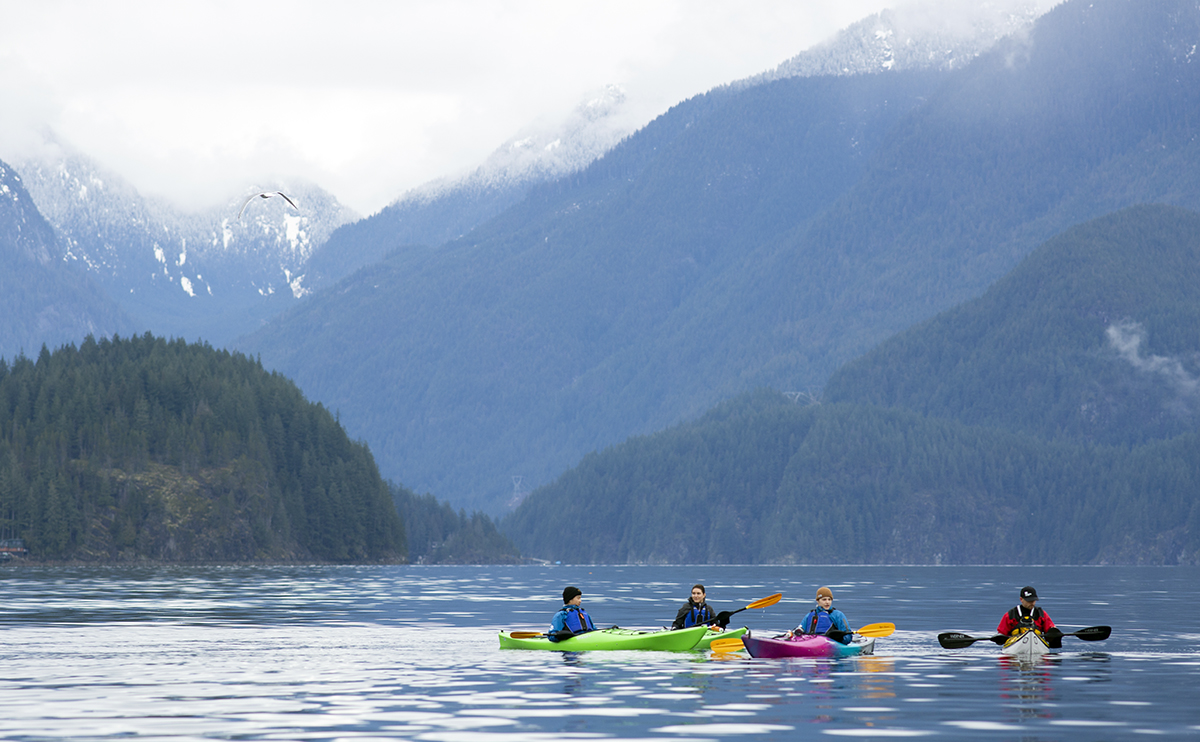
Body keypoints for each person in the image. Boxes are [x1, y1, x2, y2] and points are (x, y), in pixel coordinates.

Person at [787, 586, 853, 644]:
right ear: (818, 601)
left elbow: (848, 636)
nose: (827, 602)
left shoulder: (838, 615)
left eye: (829, 599)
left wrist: (840, 639)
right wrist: (796, 632)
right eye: (824, 599)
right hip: (808, 641)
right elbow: (800, 628)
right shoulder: (810, 615)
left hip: (830, 643)